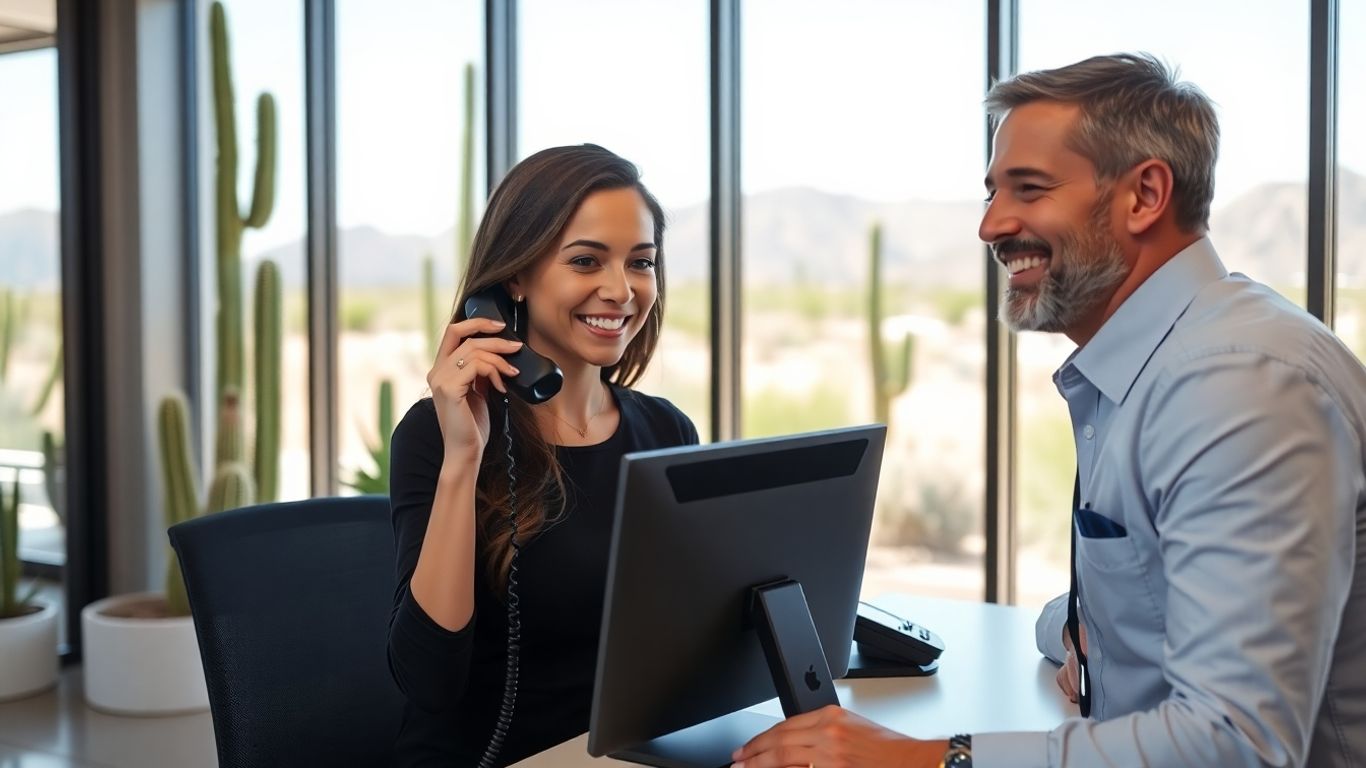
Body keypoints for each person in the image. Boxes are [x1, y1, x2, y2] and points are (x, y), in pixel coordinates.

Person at [731, 53, 1366, 768]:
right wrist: (1079, 629)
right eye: (992, 192)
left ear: (1145, 195)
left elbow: (1234, 742)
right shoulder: (1167, 361)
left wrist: (924, 758)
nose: (991, 225)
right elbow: (1120, 603)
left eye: (1028, 190)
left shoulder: (1236, 386)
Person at [386, 144, 699, 767]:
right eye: (586, 261)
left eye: (641, 262)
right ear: (515, 278)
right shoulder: (435, 435)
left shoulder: (667, 430)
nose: (620, 290)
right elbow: (428, 682)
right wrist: (463, 459)